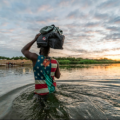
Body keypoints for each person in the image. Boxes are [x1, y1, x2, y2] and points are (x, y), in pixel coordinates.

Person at [21, 33, 61, 106]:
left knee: (42, 110)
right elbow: (58, 76)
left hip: (41, 92)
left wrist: (34, 39)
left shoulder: (35, 58)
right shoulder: (55, 61)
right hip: (52, 89)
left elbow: (23, 50)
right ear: (49, 51)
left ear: (40, 50)